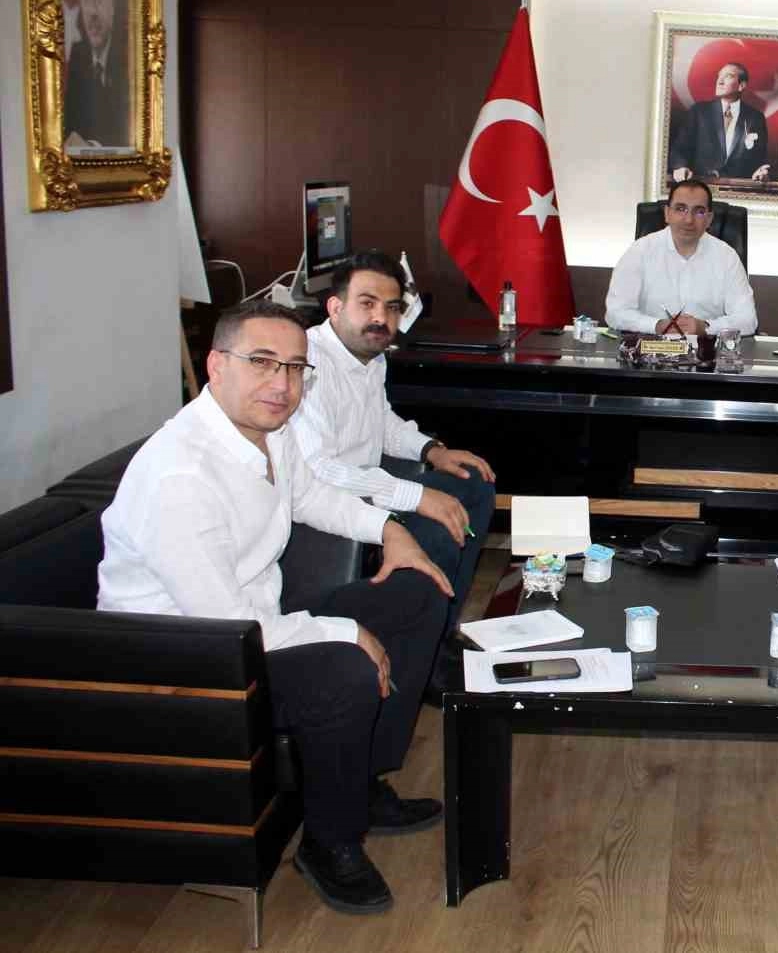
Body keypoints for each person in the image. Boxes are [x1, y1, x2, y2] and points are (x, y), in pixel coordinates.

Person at [98, 300, 456, 915]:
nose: (281, 384)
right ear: (216, 365)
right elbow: (225, 625)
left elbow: (312, 496)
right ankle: (329, 842)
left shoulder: (269, 433)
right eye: (261, 362)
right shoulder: (180, 475)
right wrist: (344, 632)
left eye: (294, 368)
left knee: (417, 590)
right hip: (185, 662)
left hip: (254, 621)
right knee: (345, 667)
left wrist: (390, 530)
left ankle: (362, 783)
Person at [289, 250, 496, 702]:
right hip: (326, 504)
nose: (380, 318)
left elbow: (382, 423)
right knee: (439, 530)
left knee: (474, 483)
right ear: (335, 306)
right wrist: (414, 497)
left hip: (370, 487)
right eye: (367, 304)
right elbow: (319, 471)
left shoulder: (372, 354)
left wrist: (432, 450)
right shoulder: (306, 363)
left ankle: (440, 633)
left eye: (392, 307)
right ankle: (421, 660)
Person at [605, 177, 758, 337]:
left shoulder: (727, 257)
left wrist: (706, 327)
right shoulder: (639, 252)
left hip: (708, 348)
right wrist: (656, 325)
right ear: (667, 213)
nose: (689, 220)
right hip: (650, 347)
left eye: (699, 211)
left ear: (709, 219)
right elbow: (615, 313)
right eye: (680, 209)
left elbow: (747, 320)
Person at [63, 0, 129, 148]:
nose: (91, 11)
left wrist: (91, 148)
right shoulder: (76, 57)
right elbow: (70, 128)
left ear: (113, 2)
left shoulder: (130, 59)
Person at [668, 61, 772, 182]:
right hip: (701, 184)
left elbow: (760, 159)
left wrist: (761, 172)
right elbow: (680, 149)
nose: (720, 81)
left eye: (728, 76)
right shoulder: (699, 112)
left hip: (737, 187)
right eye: (719, 76)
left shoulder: (755, 118)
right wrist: (680, 166)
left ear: (741, 85)